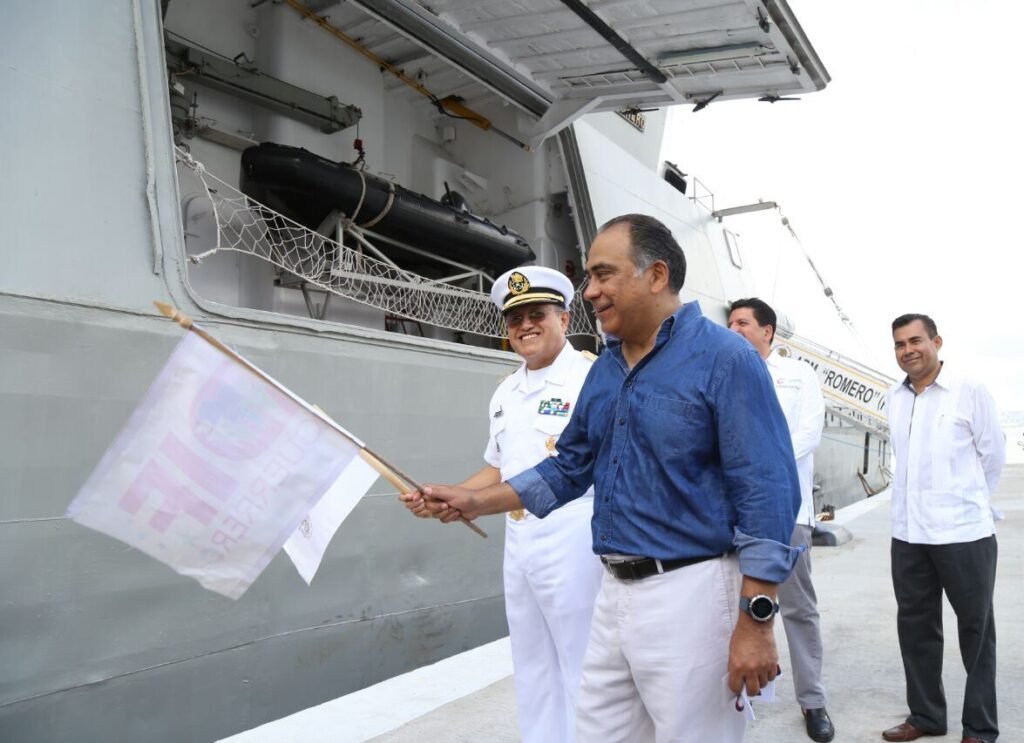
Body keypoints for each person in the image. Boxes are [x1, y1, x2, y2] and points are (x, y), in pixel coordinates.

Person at [409, 214, 803, 742]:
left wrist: (756, 621)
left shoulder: (725, 359)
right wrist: (477, 501)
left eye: (602, 274)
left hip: (690, 592)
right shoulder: (606, 369)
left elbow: (768, 491)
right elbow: (569, 465)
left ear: (656, 275)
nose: (590, 291)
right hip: (613, 592)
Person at [403, 266, 602, 743]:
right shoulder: (506, 391)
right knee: (532, 663)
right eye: (515, 319)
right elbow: (497, 469)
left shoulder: (591, 379)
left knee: (585, 663)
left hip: (575, 537)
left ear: (564, 318)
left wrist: (474, 502)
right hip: (520, 540)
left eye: (537, 315)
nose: (525, 325)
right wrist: (447, 496)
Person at [881, 314, 1005, 743]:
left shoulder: (969, 390)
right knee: (916, 629)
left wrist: (966, 502)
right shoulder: (894, 397)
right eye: (900, 344)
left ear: (936, 342)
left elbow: (992, 456)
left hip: (963, 534)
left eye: (916, 340)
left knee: (976, 633)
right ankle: (926, 716)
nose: (908, 350)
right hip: (909, 534)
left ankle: (980, 728)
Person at [728, 298, 834, 742]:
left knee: (797, 608)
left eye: (743, 322)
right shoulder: (722, 373)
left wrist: (755, 465)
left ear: (767, 331)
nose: (734, 329)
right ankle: (738, 698)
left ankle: (813, 700)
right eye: (730, 322)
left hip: (785, 510)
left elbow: (808, 434)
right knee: (730, 607)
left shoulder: (798, 375)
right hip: (729, 512)